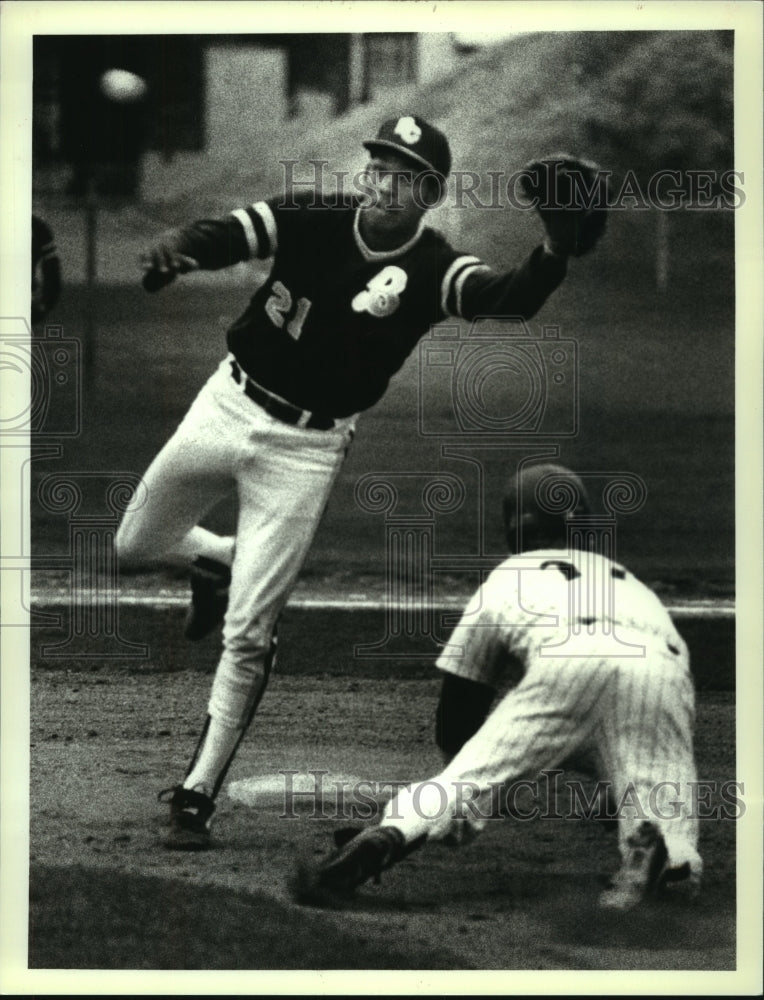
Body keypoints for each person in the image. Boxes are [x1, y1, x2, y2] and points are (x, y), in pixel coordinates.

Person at [116, 115, 598, 850]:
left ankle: (196, 792)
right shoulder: (315, 217)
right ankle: (217, 561)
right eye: (377, 166)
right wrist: (184, 247)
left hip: (306, 449)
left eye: (403, 175)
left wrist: (556, 250)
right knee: (133, 542)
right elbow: (235, 232)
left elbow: (511, 296)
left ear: (430, 194)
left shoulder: (434, 268)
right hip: (226, 402)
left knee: (249, 633)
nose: (382, 183)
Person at [294, 463, 702, 912]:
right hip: (662, 673)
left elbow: (461, 703)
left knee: (456, 785)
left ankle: (389, 834)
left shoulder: (509, 576)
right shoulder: (633, 584)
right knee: (666, 813)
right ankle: (661, 852)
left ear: (515, 527)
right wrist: (615, 783)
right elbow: (633, 702)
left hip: (569, 662)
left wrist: (473, 792)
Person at [32, 214, 62, 326]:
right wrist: (46, 304)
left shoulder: (37, 227)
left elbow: (52, 270)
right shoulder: (36, 226)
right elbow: (52, 271)